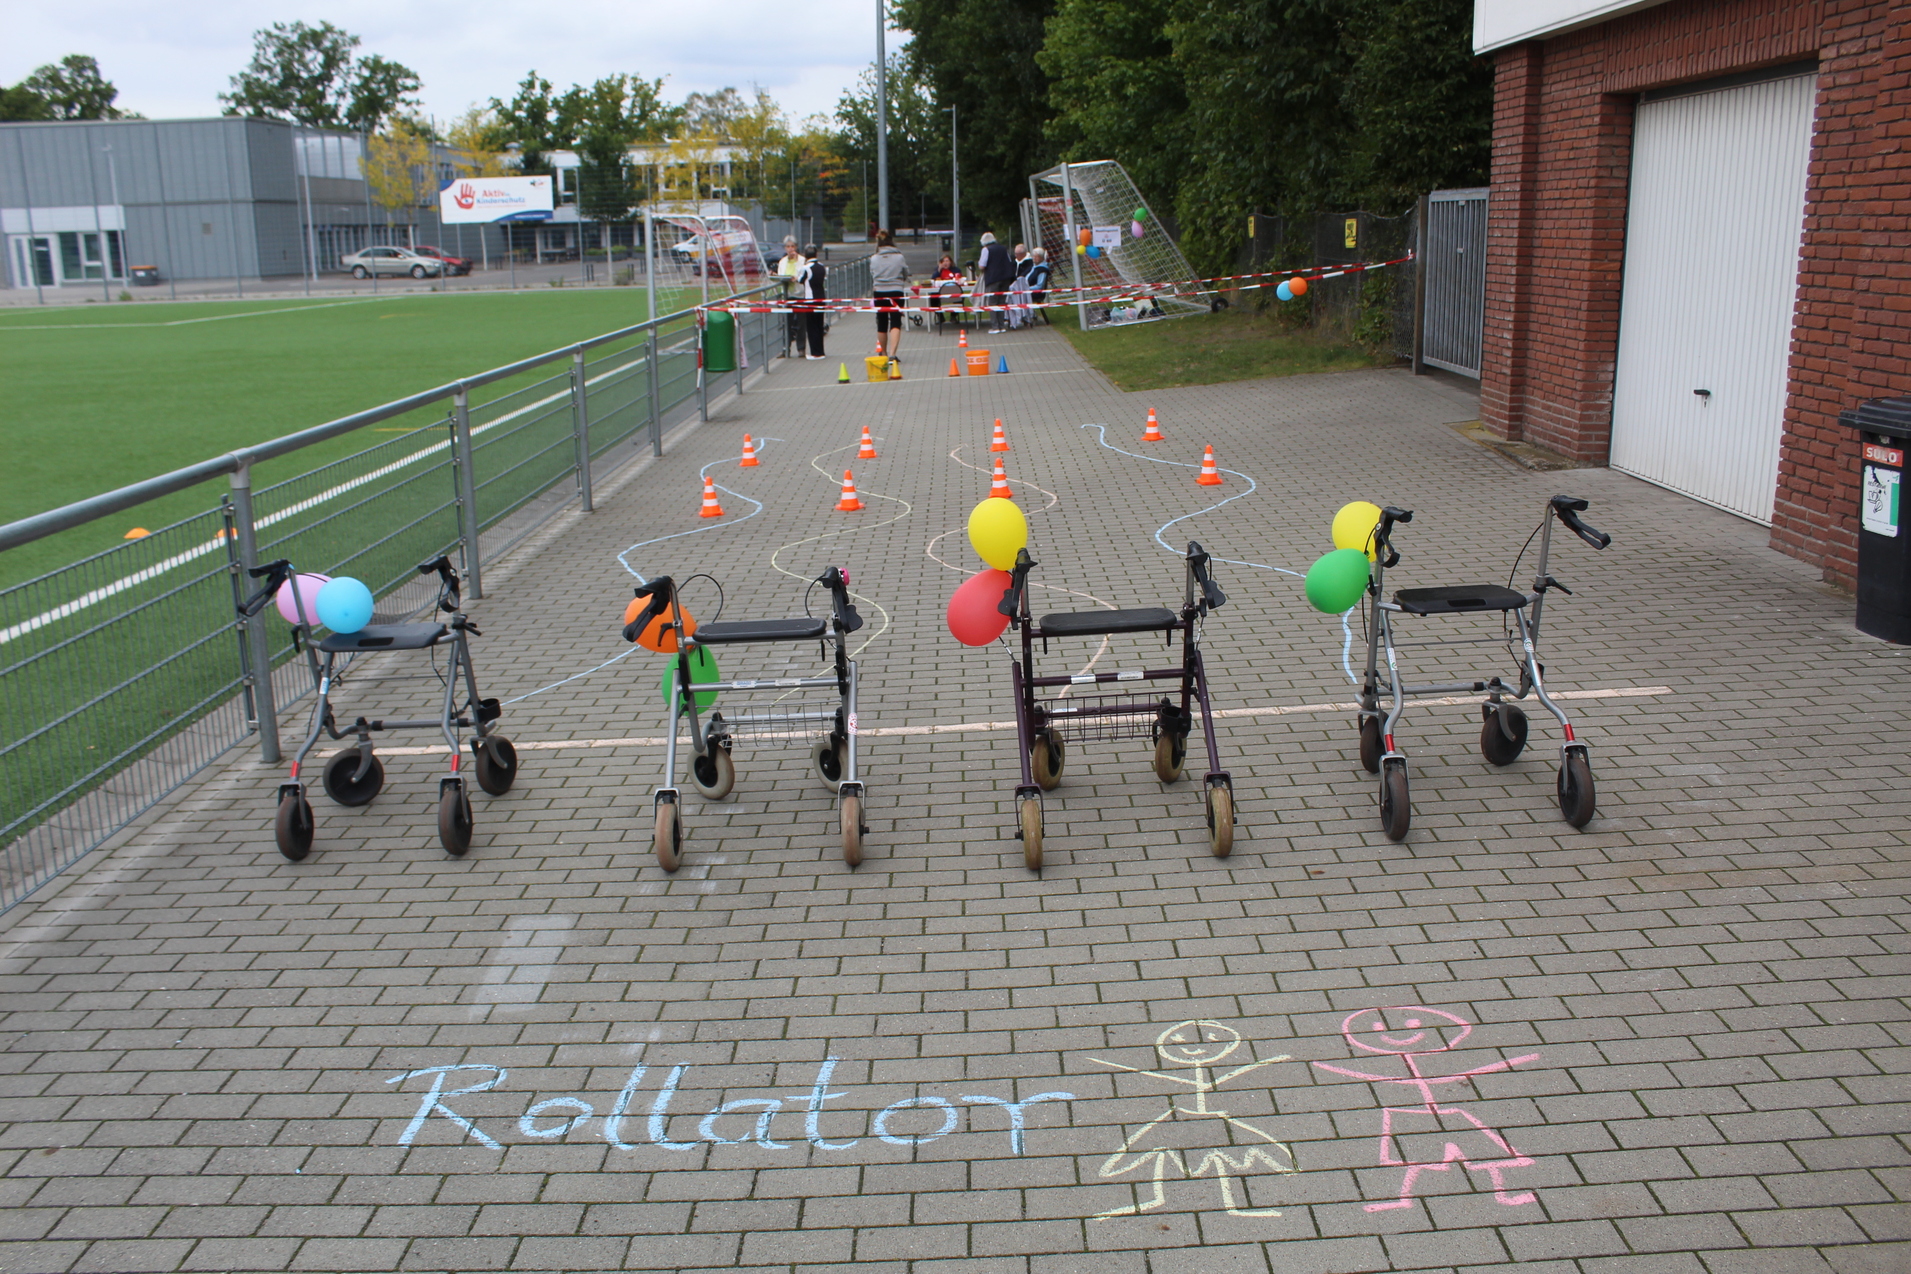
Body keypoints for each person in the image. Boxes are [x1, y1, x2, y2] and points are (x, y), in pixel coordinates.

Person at [870, 229, 911, 360]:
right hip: (896, 291)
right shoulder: (899, 257)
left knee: (881, 322)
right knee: (895, 321)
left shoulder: (874, 258)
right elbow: (905, 272)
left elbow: (872, 273)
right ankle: (893, 353)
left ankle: (883, 353)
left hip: (879, 292)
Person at [977, 232, 1016, 334]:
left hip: (993, 278)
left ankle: (995, 327)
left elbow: (982, 265)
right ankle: (1002, 326)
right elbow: (1009, 260)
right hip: (1006, 278)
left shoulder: (986, 249)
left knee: (993, 302)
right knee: (1002, 302)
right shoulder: (1003, 248)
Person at [795, 244, 827, 359]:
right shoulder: (822, 266)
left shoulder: (806, 268)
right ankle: (821, 351)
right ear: (816, 254)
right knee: (819, 325)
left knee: (811, 327)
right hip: (821, 298)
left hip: (810, 299)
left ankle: (815, 353)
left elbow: (800, 280)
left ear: (805, 256)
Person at [775, 237, 805, 357]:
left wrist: (795, 276)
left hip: (800, 294)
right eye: (788, 246)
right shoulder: (782, 261)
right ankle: (786, 348)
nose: (790, 249)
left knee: (801, 322)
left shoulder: (802, 260)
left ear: (796, 247)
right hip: (788, 294)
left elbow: (802, 274)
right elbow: (781, 275)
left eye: (792, 246)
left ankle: (801, 348)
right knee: (787, 322)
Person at [928, 253, 962, 330]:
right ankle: (940, 317)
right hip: (940, 291)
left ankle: (953, 316)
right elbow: (933, 279)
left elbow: (959, 277)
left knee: (960, 296)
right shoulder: (938, 270)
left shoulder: (955, 270)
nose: (946, 263)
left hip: (953, 290)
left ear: (951, 262)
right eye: (944, 261)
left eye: (947, 261)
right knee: (932, 297)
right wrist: (939, 270)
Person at [1025, 248, 1052, 325]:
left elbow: (1039, 286)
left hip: (1036, 292)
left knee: (1019, 295)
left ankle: (1027, 316)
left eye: (1037, 256)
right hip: (1027, 290)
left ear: (1042, 258)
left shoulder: (1042, 270)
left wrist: (1027, 289)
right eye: (1034, 256)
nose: (1034, 258)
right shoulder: (1033, 267)